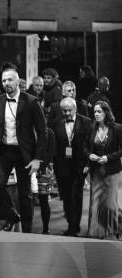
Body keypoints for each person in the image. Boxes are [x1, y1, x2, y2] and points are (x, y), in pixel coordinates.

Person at [0, 67, 47, 233]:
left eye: (10, 80)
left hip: (24, 153)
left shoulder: (31, 101)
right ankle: (11, 215)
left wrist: (38, 158)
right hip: (4, 151)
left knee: (25, 194)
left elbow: (43, 132)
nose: (6, 83)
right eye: (4, 80)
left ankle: (27, 231)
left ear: (18, 81)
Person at [52, 97, 91, 236]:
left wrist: (88, 164)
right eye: (64, 111)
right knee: (66, 197)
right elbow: (53, 147)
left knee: (76, 196)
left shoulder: (86, 122)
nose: (67, 113)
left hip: (79, 166)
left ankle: (74, 228)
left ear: (75, 109)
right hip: (62, 167)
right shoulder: (56, 124)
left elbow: (90, 145)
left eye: (69, 110)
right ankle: (71, 222)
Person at [84, 101, 122, 239]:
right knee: (95, 202)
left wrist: (108, 157)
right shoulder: (92, 128)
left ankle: (113, 229)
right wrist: (90, 155)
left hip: (112, 170)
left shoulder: (117, 129)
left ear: (106, 112)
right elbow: (85, 147)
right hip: (96, 171)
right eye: (94, 112)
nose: (96, 114)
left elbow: (120, 150)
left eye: (99, 111)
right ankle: (96, 233)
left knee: (109, 204)